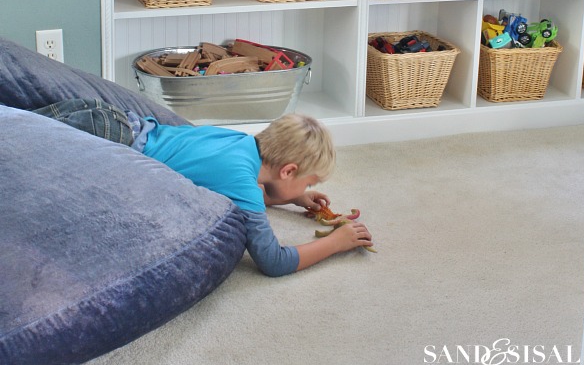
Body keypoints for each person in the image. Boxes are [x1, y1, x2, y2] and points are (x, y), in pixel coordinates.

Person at [32, 99, 373, 276]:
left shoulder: (241, 144)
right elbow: (274, 262)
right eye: (309, 181)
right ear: (288, 170)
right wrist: (335, 243)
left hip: (110, 117)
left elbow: (245, 187)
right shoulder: (244, 185)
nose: (309, 188)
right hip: (107, 141)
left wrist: (298, 197)